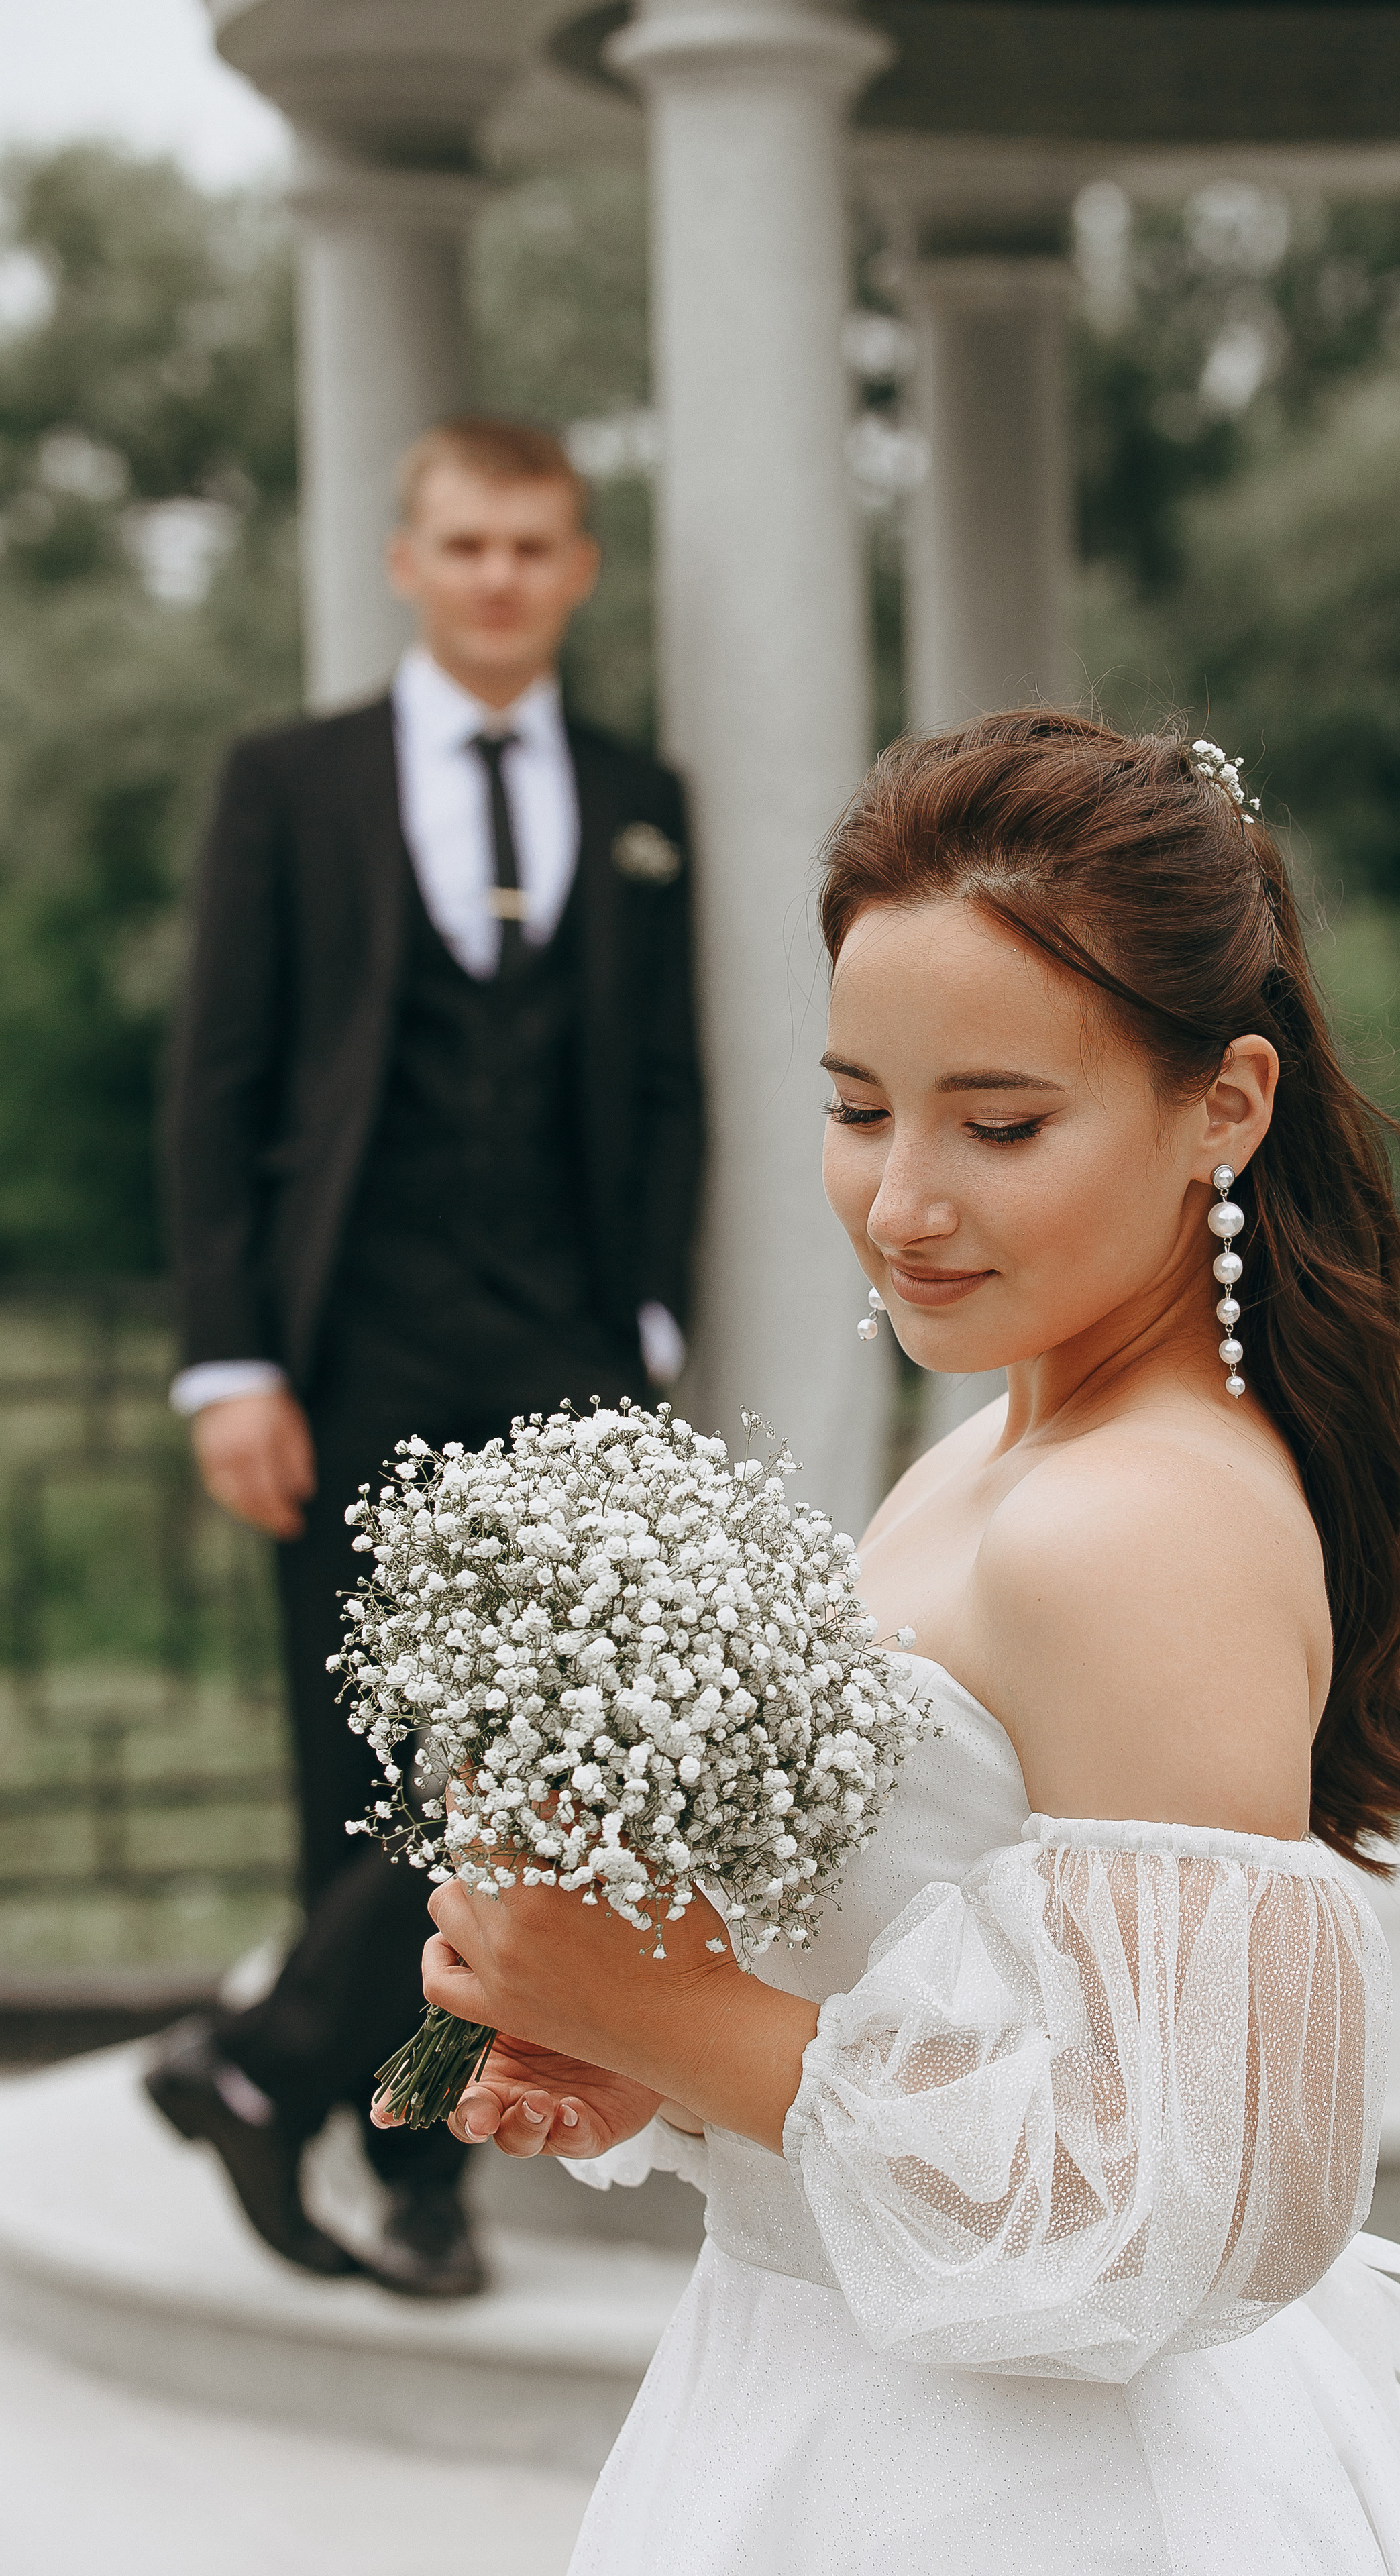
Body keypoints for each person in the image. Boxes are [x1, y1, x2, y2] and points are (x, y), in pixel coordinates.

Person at [378, 712, 1400, 2562]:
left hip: (1017, 2486)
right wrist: (654, 2056)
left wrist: (672, 2009)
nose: (903, 1203)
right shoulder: (990, 1457)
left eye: (999, 1124)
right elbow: (960, 2005)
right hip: (838, 2396)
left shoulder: (1140, 1523)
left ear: (1225, 1107)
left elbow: (1181, 2209)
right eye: (860, 1107)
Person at [147, 415, 702, 2300]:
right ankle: (411, 2167)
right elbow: (215, 1090)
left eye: (534, 547)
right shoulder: (287, 784)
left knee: (547, 1760)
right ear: (406, 561)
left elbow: (660, 1084)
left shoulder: (643, 796)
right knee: (364, 1765)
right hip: (349, 1346)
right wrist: (230, 1364)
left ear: (580, 569)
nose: (498, 578)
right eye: (465, 546)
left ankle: (286, 2073)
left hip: (563, 1353)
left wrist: (649, 1321)